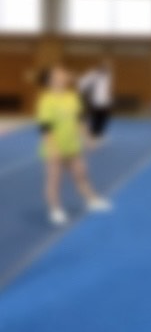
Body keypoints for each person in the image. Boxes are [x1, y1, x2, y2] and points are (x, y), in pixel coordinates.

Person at [36, 64, 112, 226]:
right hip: (55, 146)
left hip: (72, 145)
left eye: (63, 73)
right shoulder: (46, 100)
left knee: (81, 174)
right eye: (59, 73)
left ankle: (92, 200)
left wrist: (88, 138)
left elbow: (79, 120)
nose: (64, 75)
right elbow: (45, 128)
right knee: (54, 179)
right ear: (51, 80)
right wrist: (53, 148)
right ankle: (55, 209)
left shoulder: (72, 97)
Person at [78, 60, 114, 148]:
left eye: (109, 67)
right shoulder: (93, 74)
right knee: (94, 119)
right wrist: (85, 93)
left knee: (103, 118)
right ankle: (92, 137)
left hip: (105, 101)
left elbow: (106, 89)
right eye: (106, 66)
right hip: (94, 101)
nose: (108, 68)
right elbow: (82, 83)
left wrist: (109, 99)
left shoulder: (108, 75)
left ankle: (99, 134)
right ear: (101, 66)